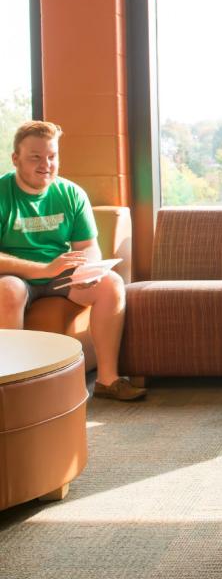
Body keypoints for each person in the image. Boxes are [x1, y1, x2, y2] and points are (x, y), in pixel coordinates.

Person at [0, 121, 144, 400]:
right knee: (9, 291)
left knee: (110, 284)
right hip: (15, 276)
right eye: (36, 157)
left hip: (60, 275)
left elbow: (88, 245)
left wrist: (87, 269)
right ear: (15, 158)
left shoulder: (70, 193)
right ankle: (11, 389)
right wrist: (42, 268)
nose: (46, 165)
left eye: (52, 156)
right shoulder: (2, 193)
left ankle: (107, 379)